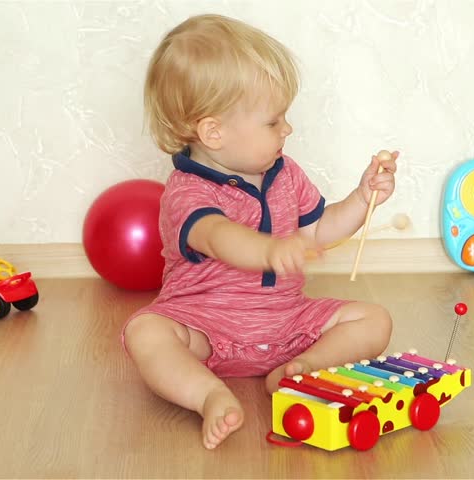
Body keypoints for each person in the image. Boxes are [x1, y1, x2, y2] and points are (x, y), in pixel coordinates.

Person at [122, 13, 398, 450]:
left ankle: (301, 368)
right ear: (213, 132)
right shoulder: (186, 191)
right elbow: (215, 235)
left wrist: (363, 198)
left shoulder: (286, 174)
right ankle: (208, 393)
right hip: (205, 329)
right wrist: (267, 250)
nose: (287, 129)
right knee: (147, 333)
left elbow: (318, 231)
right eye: (274, 122)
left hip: (285, 323)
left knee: (373, 319)